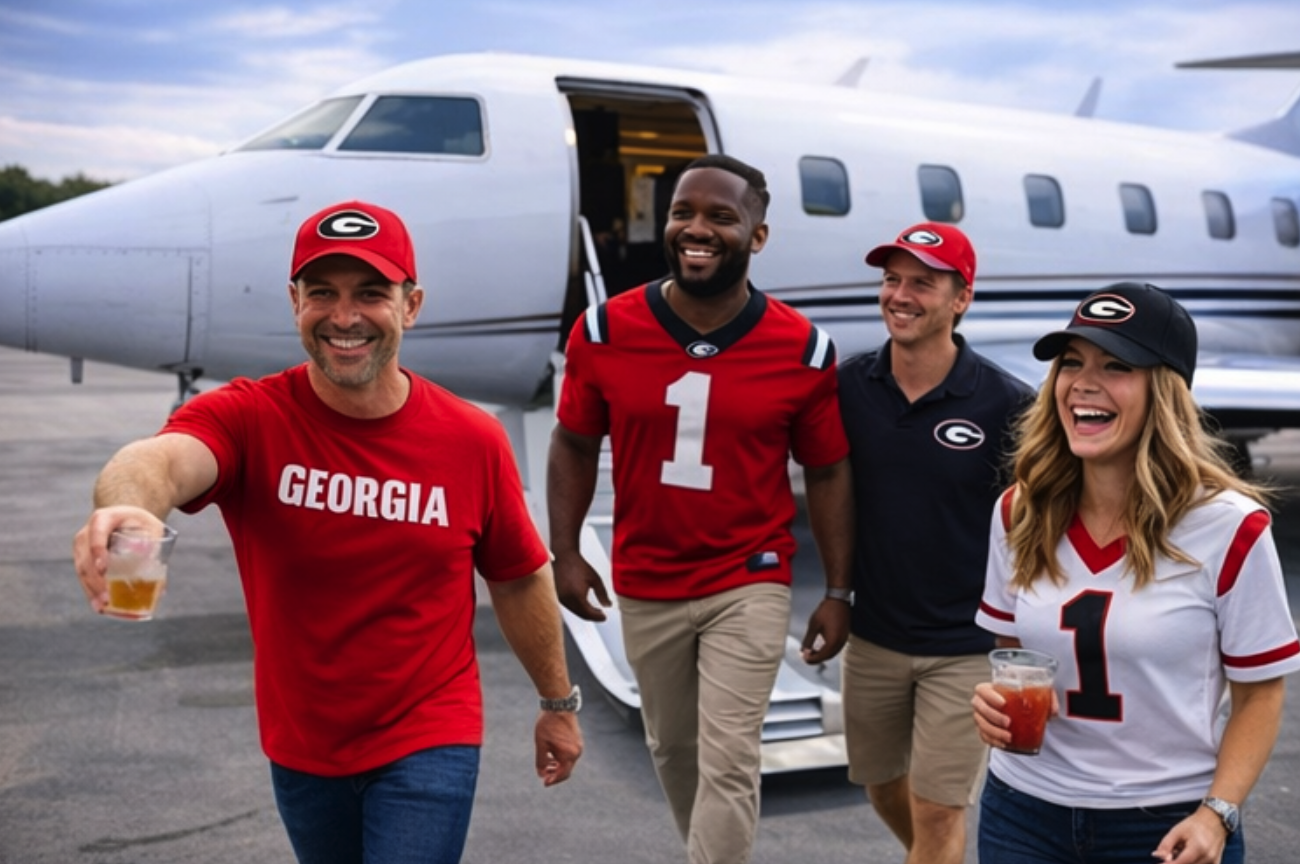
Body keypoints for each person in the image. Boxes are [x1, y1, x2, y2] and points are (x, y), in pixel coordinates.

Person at [71, 200, 583, 864]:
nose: (344, 317)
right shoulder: (252, 418)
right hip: (303, 743)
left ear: (411, 304)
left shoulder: (470, 439)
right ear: (295, 303)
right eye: (323, 294)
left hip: (430, 731)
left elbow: (517, 577)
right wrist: (131, 508)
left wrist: (557, 701)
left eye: (371, 293)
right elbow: (159, 460)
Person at [547, 154, 854, 864]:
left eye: (721, 216)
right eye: (684, 212)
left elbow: (829, 471)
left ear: (758, 235)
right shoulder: (603, 330)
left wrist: (837, 589)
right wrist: (565, 552)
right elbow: (571, 442)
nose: (697, 229)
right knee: (675, 749)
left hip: (749, 574)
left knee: (729, 755)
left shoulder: (802, 348)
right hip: (647, 576)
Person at [972, 282, 1300, 864]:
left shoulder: (1229, 527)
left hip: (1166, 824)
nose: (1083, 383)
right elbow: (1014, 652)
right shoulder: (1019, 511)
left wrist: (1217, 814)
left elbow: (1261, 696)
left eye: (1116, 365)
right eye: (1071, 363)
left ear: (1165, 392)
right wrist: (999, 705)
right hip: (1022, 810)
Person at [836, 222, 1033, 864]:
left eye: (923, 282)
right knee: (882, 786)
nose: (901, 294)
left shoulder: (1008, 404)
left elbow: (1042, 523)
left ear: (962, 298)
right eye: (892, 279)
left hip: (965, 645)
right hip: (874, 638)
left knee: (939, 809)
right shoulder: (847, 388)